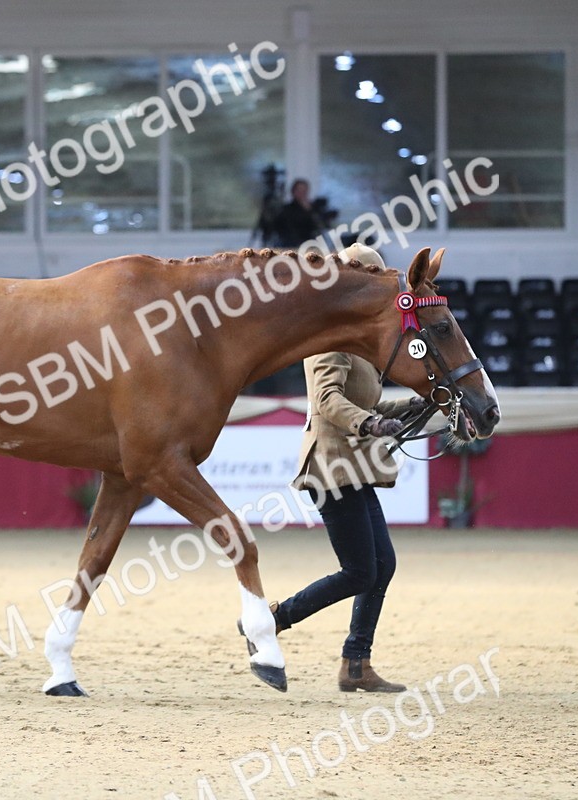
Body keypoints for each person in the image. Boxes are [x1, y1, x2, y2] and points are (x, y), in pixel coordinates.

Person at [242, 243, 428, 692]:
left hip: (355, 464)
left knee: (382, 563)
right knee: (361, 570)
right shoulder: (327, 336)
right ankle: (272, 620)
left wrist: (413, 406)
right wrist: (372, 422)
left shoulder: (360, 339)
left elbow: (366, 400)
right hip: (330, 465)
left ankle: (356, 665)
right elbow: (327, 400)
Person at [272, 179, 336, 249]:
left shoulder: (314, 208)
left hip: (312, 245)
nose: (302, 193)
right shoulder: (286, 209)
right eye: (299, 190)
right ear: (293, 191)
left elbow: (321, 225)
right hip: (291, 246)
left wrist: (310, 210)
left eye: (304, 190)